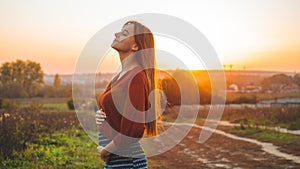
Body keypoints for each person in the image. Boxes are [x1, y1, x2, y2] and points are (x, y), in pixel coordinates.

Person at [95, 21, 160, 169]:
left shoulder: (136, 77)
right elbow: (115, 113)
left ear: (135, 46)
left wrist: (106, 150)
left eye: (124, 33)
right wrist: (100, 116)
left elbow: (134, 128)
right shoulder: (119, 77)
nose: (116, 34)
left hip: (127, 163)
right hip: (118, 162)